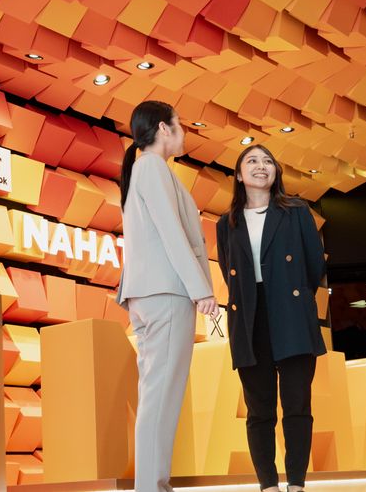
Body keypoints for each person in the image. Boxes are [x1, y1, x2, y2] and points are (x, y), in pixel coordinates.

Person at [116, 100, 218, 492]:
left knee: (156, 395)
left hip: (150, 294)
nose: (184, 132)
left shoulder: (145, 169)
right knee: (162, 397)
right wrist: (201, 289)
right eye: (180, 124)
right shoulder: (152, 168)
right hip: (166, 293)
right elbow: (171, 233)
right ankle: (152, 486)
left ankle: (152, 484)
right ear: (163, 128)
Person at [216, 144, 326, 492]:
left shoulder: (297, 211)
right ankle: (268, 485)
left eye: (267, 161)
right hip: (250, 318)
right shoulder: (226, 223)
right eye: (251, 161)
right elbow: (228, 271)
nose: (260, 166)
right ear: (238, 175)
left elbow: (314, 265)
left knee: (297, 404)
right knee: (259, 410)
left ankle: (296, 484)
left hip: (291, 314)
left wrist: (294, 296)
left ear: (276, 172)